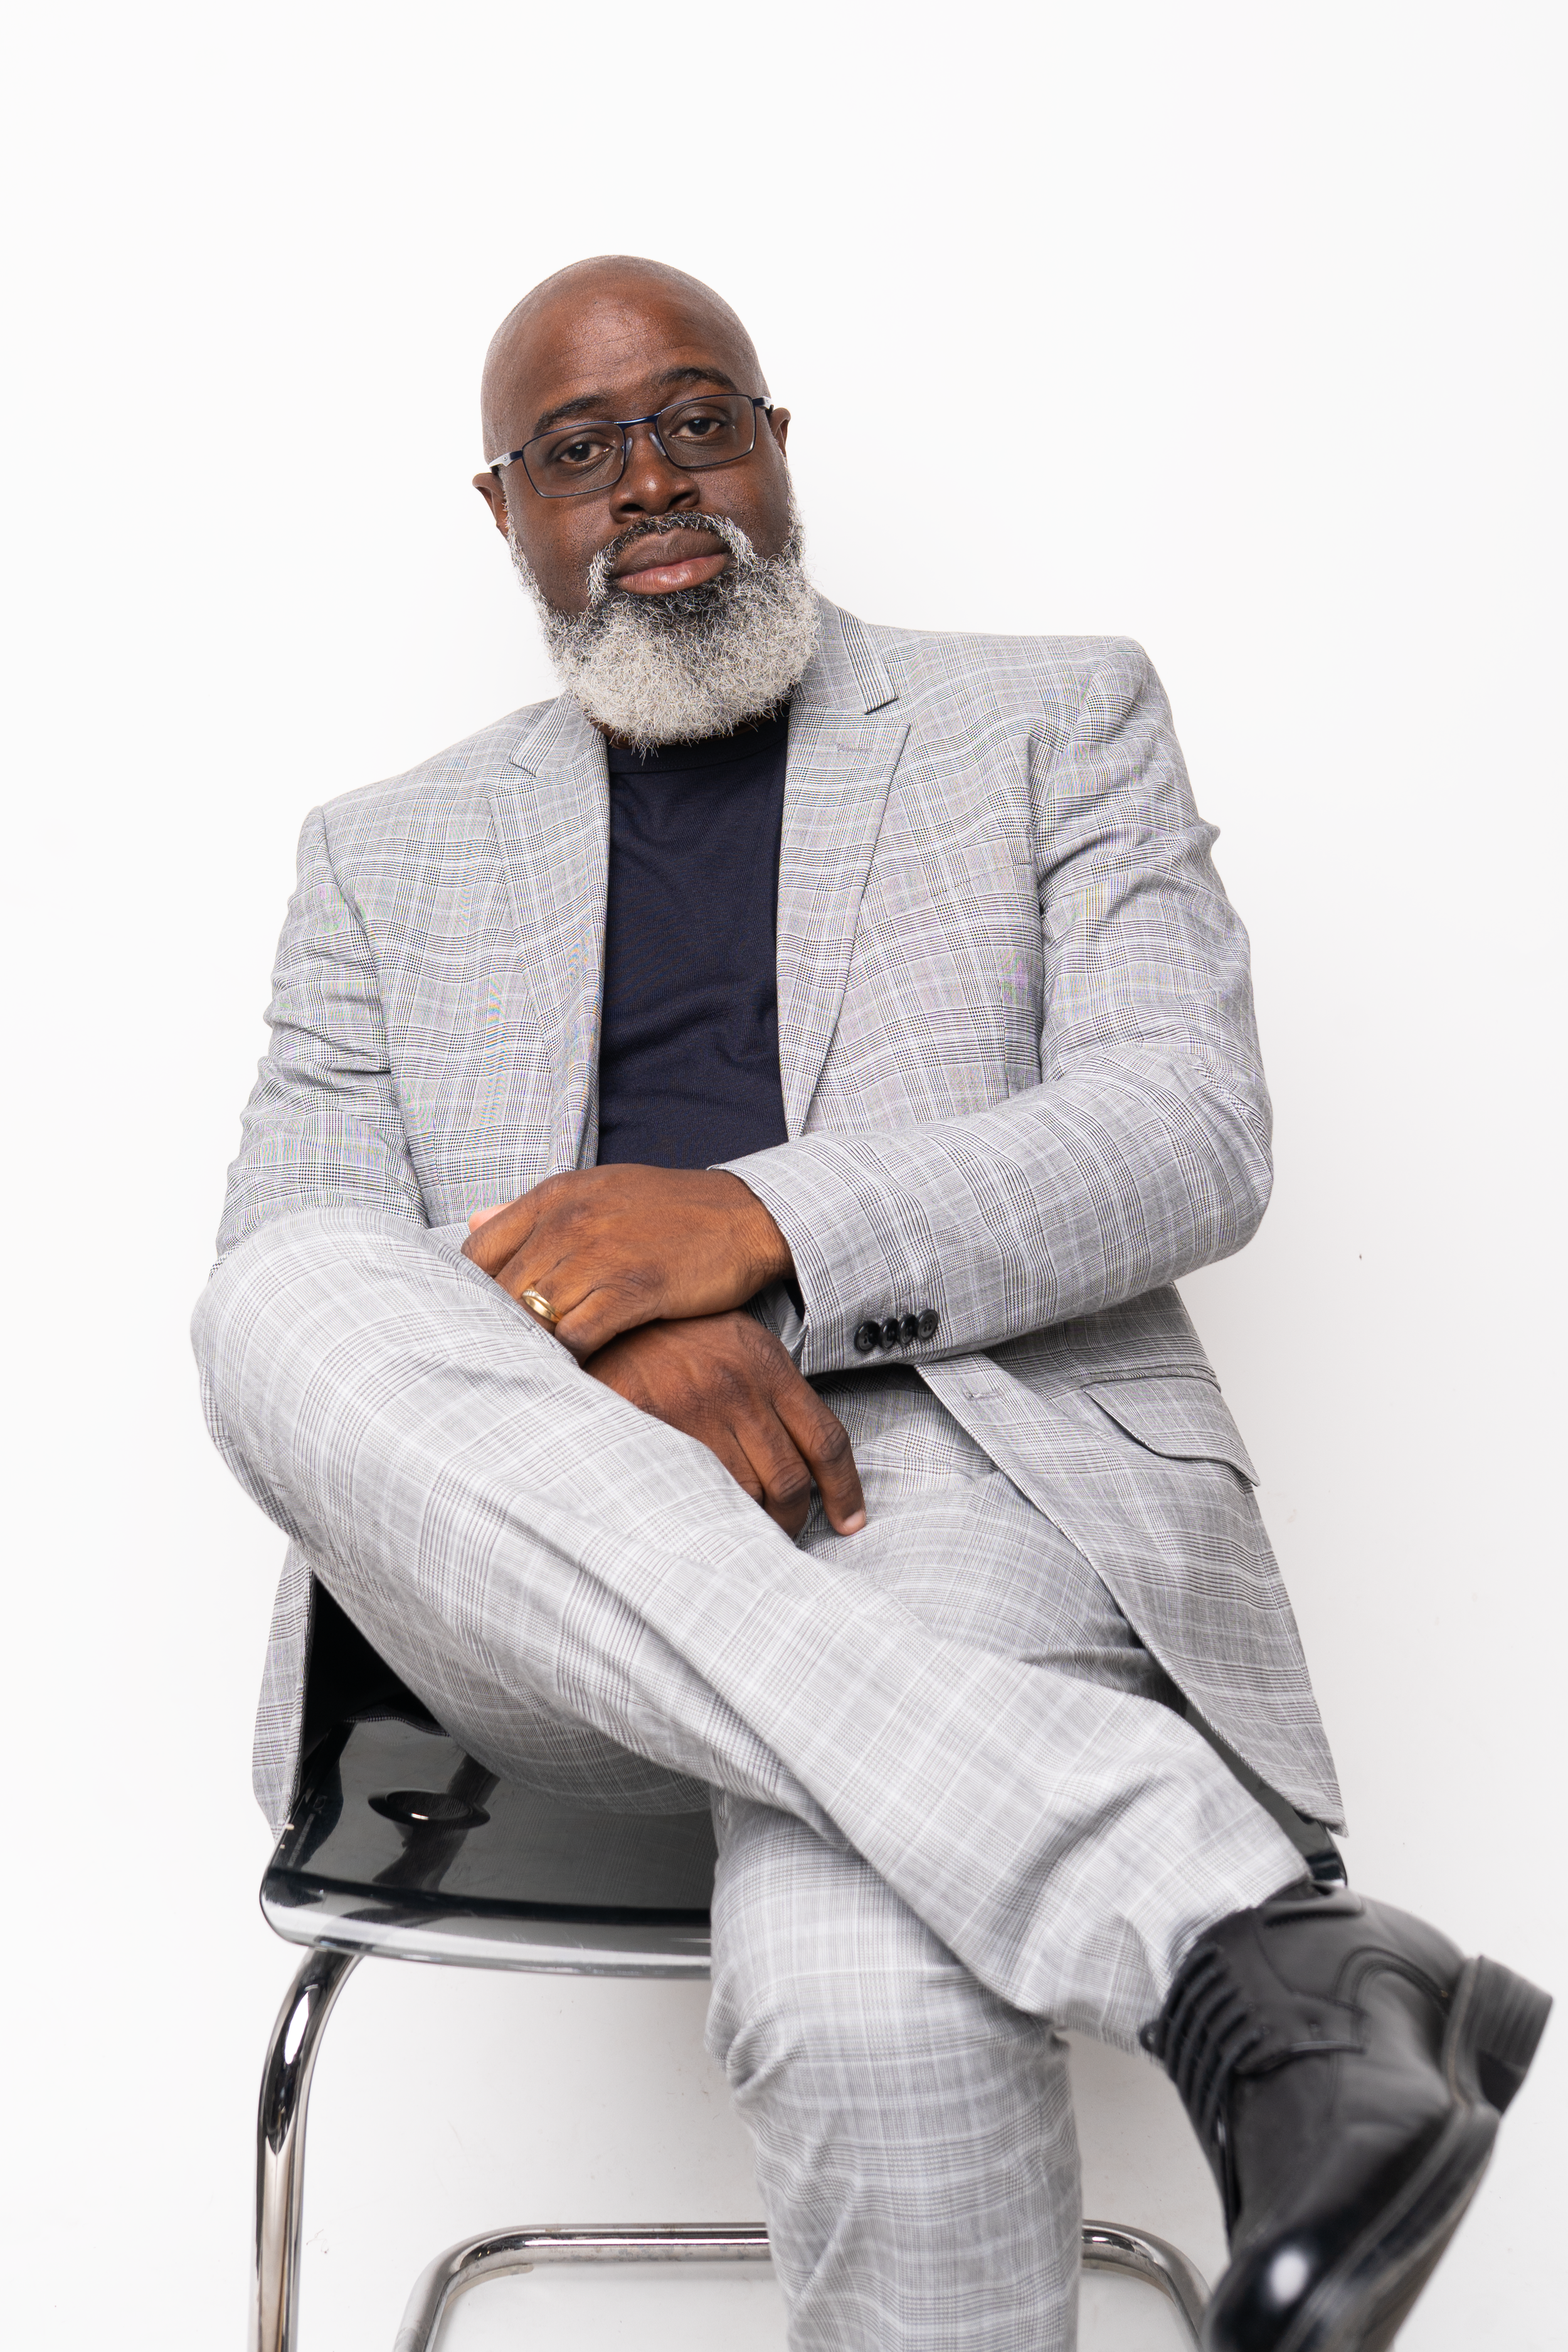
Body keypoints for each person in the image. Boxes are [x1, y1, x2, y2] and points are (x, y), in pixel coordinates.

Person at [194, 255, 1548, 2352]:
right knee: (280, 1298)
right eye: (577, 447)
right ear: (506, 513)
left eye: (696, 416)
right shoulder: (385, 857)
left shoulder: (1048, 713)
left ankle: (1194, 1928)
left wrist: (743, 1228)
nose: (648, 477)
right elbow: (321, 1253)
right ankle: (1226, 1930)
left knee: (860, 1991)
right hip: (540, 1586)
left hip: (957, 1515)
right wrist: (607, 1341)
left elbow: (1187, 1124)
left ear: (777, 446)